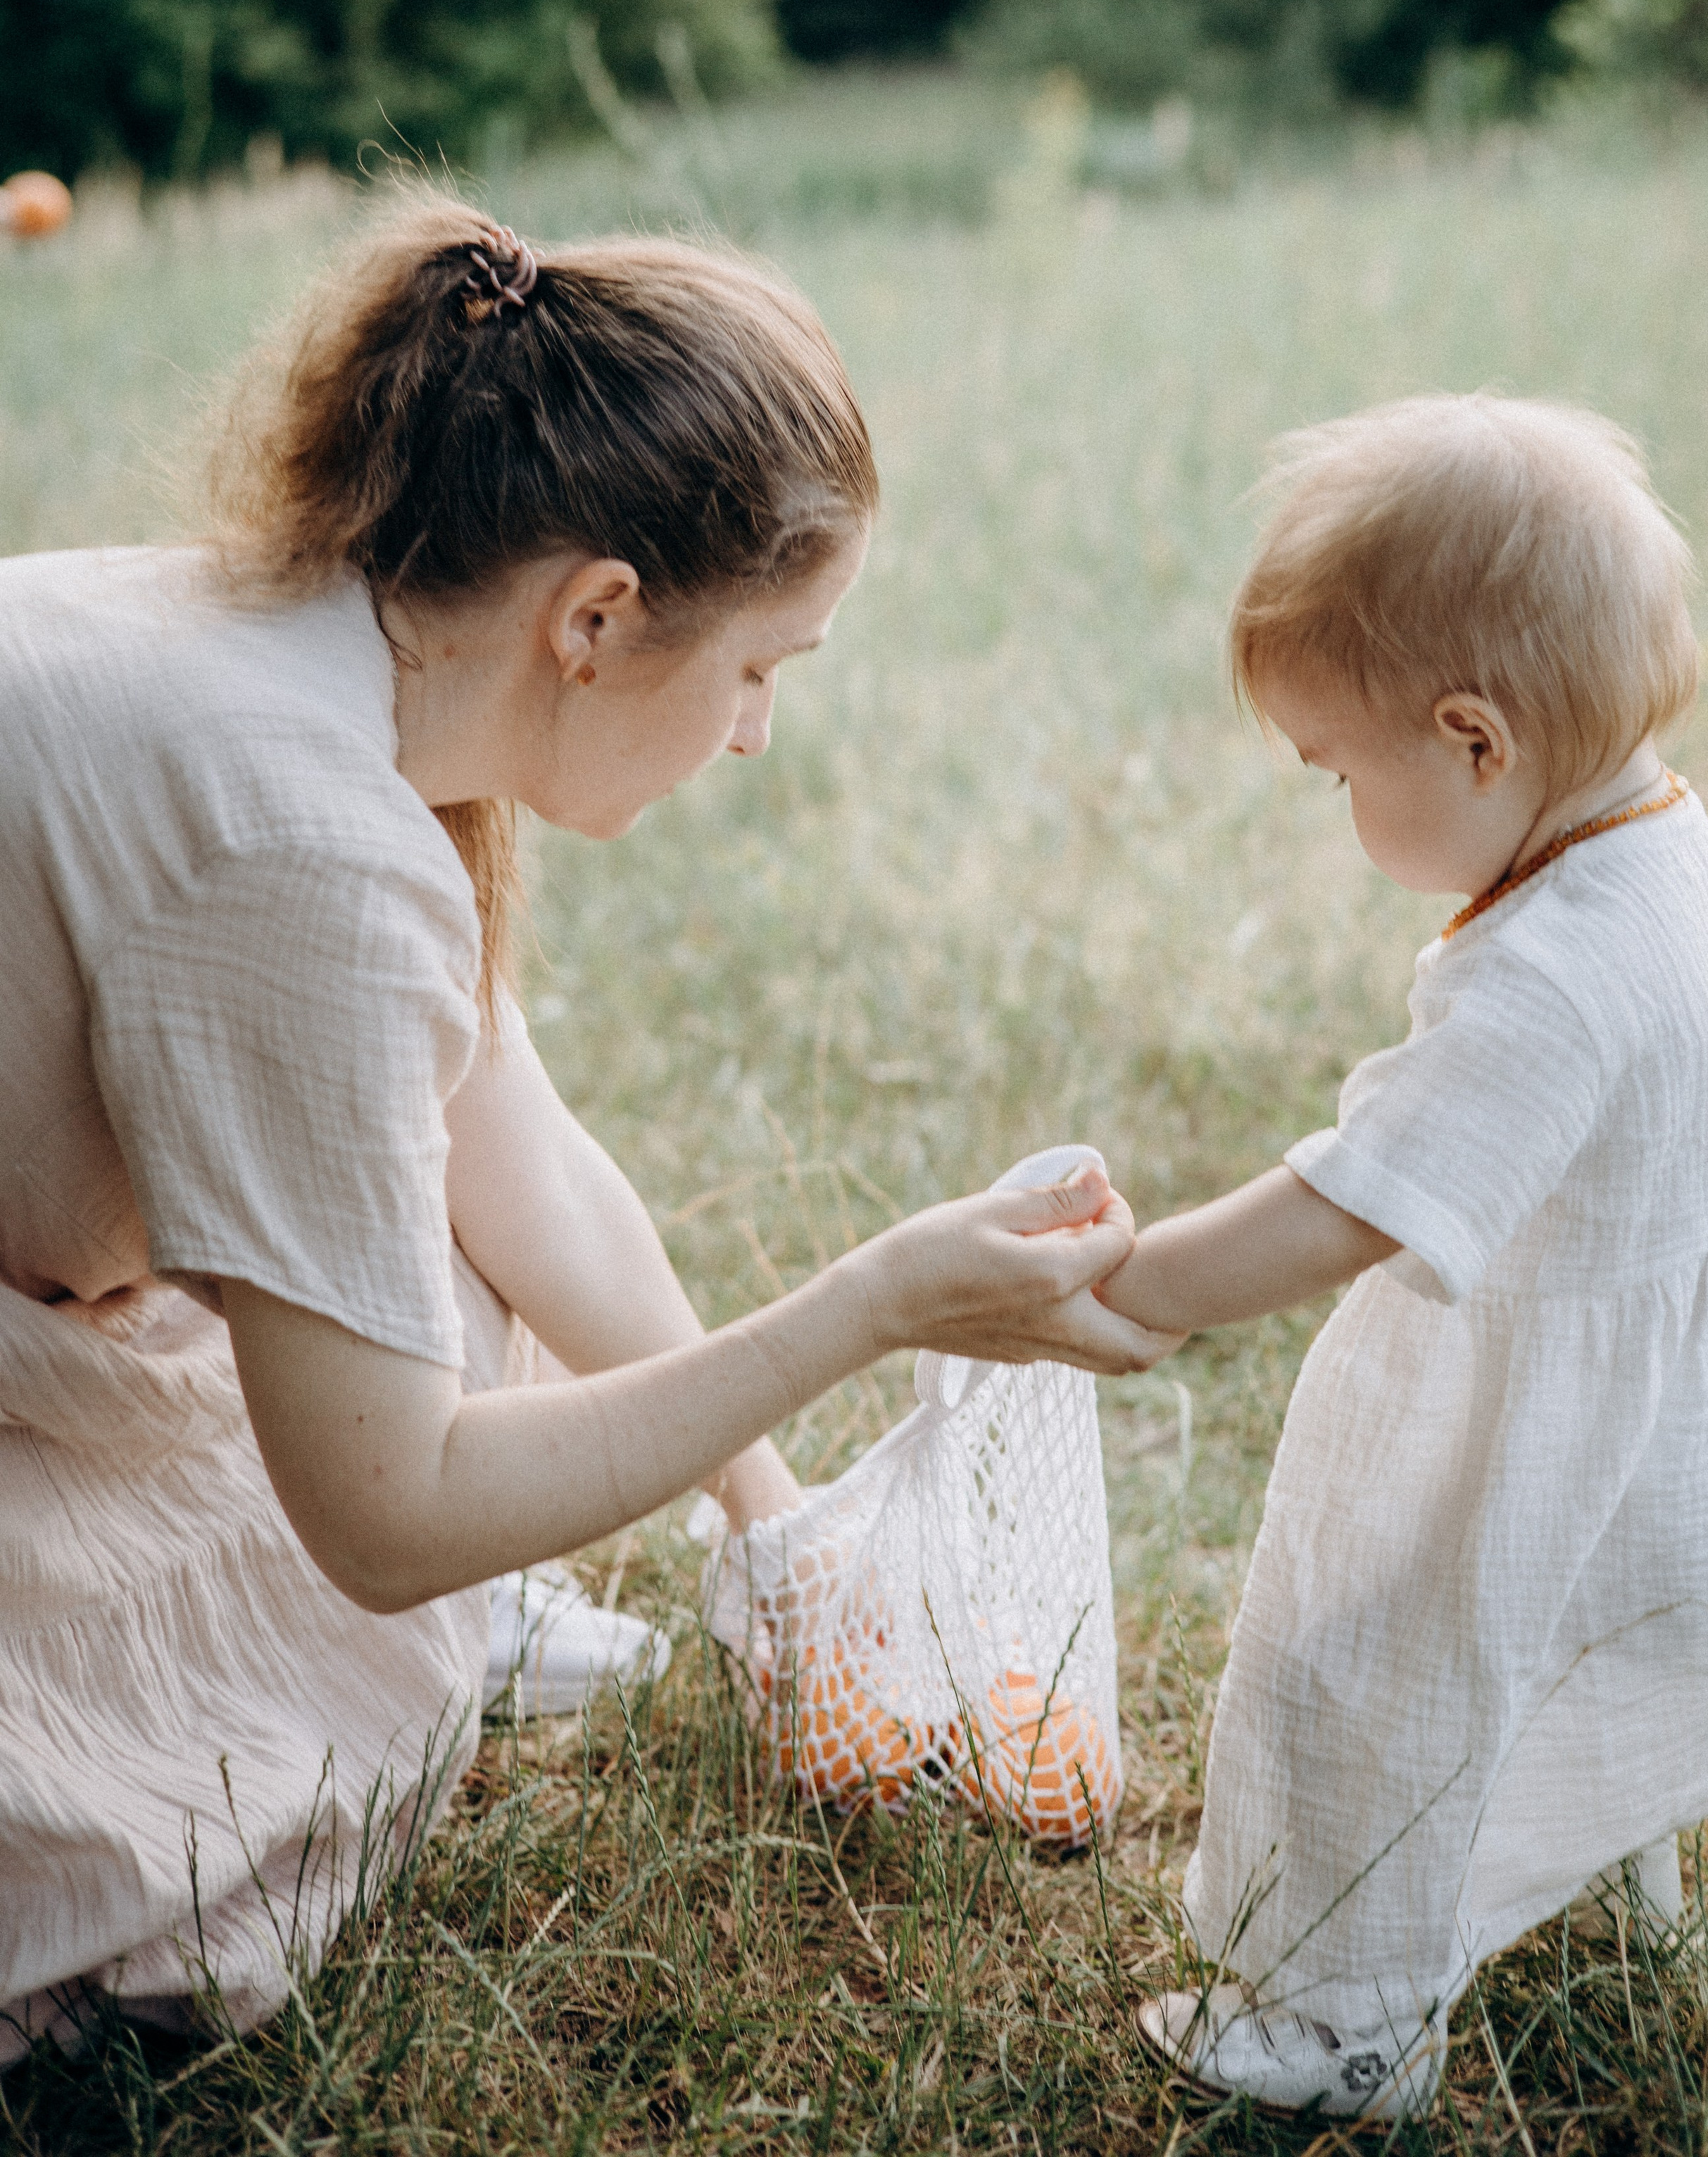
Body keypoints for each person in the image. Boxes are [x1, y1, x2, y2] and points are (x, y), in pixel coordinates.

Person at [0, 203, 1158, 2062]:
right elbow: (387, 1517)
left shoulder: (330, 644)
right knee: (226, 1811)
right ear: (599, 618)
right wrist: (872, 1303)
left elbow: (518, 1171)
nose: (759, 731)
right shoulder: (311, 842)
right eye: (766, 667)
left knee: (434, 1281)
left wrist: (773, 1529)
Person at [1105, 394, 1708, 2121]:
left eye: (1339, 771)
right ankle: (1603, 1857)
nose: (1336, 806)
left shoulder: (1555, 972)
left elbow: (1360, 1198)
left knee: (1353, 1675)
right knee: (1582, 1658)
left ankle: (1341, 2025)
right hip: (1684, 1452)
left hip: (1553, 1445)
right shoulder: (1660, 843)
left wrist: (1139, 1288)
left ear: (1472, 741)